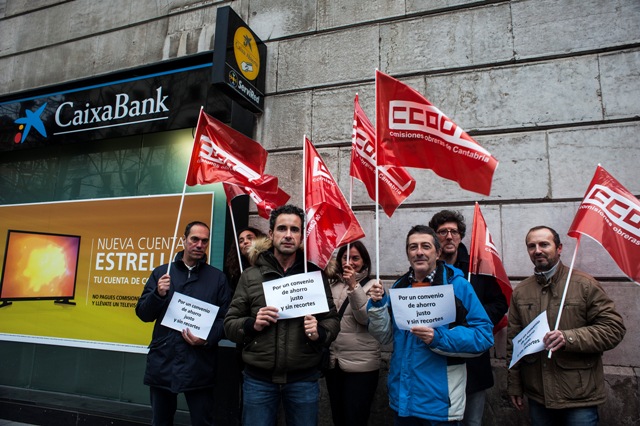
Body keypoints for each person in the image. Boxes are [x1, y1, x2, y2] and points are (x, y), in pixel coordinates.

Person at [223, 204, 340, 426]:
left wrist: (320, 333)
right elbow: (230, 324)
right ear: (271, 234)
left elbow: (332, 320)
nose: (288, 235)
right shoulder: (250, 276)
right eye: (282, 228)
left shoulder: (314, 275)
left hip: (303, 380)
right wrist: (252, 324)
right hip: (258, 381)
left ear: (301, 236)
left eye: (294, 230)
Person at [368, 225, 494, 425]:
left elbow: (483, 336)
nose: (419, 252)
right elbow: (385, 336)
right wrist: (378, 305)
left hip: (440, 405)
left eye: (426, 246)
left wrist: (438, 338)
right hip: (403, 401)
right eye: (413, 247)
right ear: (408, 254)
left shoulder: (457, 285)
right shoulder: (400, 287)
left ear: (438, 252)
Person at [507, 226, 626, 426]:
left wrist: (569, 338)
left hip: (578, 396)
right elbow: (514, 342)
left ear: (559, 248)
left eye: (544, 244)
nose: (537, 250)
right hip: (538, 396)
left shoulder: (584, 284)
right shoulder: (521, 291)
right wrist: (514, 385)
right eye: (532, 246)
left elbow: (614, 329)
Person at [135, 221, 232, 426]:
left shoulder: (217, 279)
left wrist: (206, 338)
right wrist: (157, 294)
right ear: (184, 240)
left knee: (202, 421)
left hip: (199, 364)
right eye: (194, 239)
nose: (199, 245)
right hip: (164, 361)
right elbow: (143, 314)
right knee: (161, 421)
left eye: (204, 241)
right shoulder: (162, 273)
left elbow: (227, 320)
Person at [429, 210, 508, 426]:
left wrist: (473, 316)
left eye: (454, 232)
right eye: (442, 232)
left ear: (460, 236)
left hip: (473, 362)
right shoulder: (427, 269)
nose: (449, 236)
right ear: (434, 237)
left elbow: (500, 303)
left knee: (472, 421)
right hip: (438, 363)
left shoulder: (478, 267)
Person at [324, 241, 381, 426]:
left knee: (355, 419)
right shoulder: (332, 285)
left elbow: (365, 318)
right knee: (338, 418)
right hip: (335, 363)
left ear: (364, 261)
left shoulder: (374, 286)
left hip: (361, 367)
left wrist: (354, 286)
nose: (349, 262)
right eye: (345, 258)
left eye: (355, 258)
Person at [224, 226, 267, 290]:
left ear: (260, 240)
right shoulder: (237, 274)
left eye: (249, 238)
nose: (245, 242)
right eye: (241, 241)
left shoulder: (270, 262)